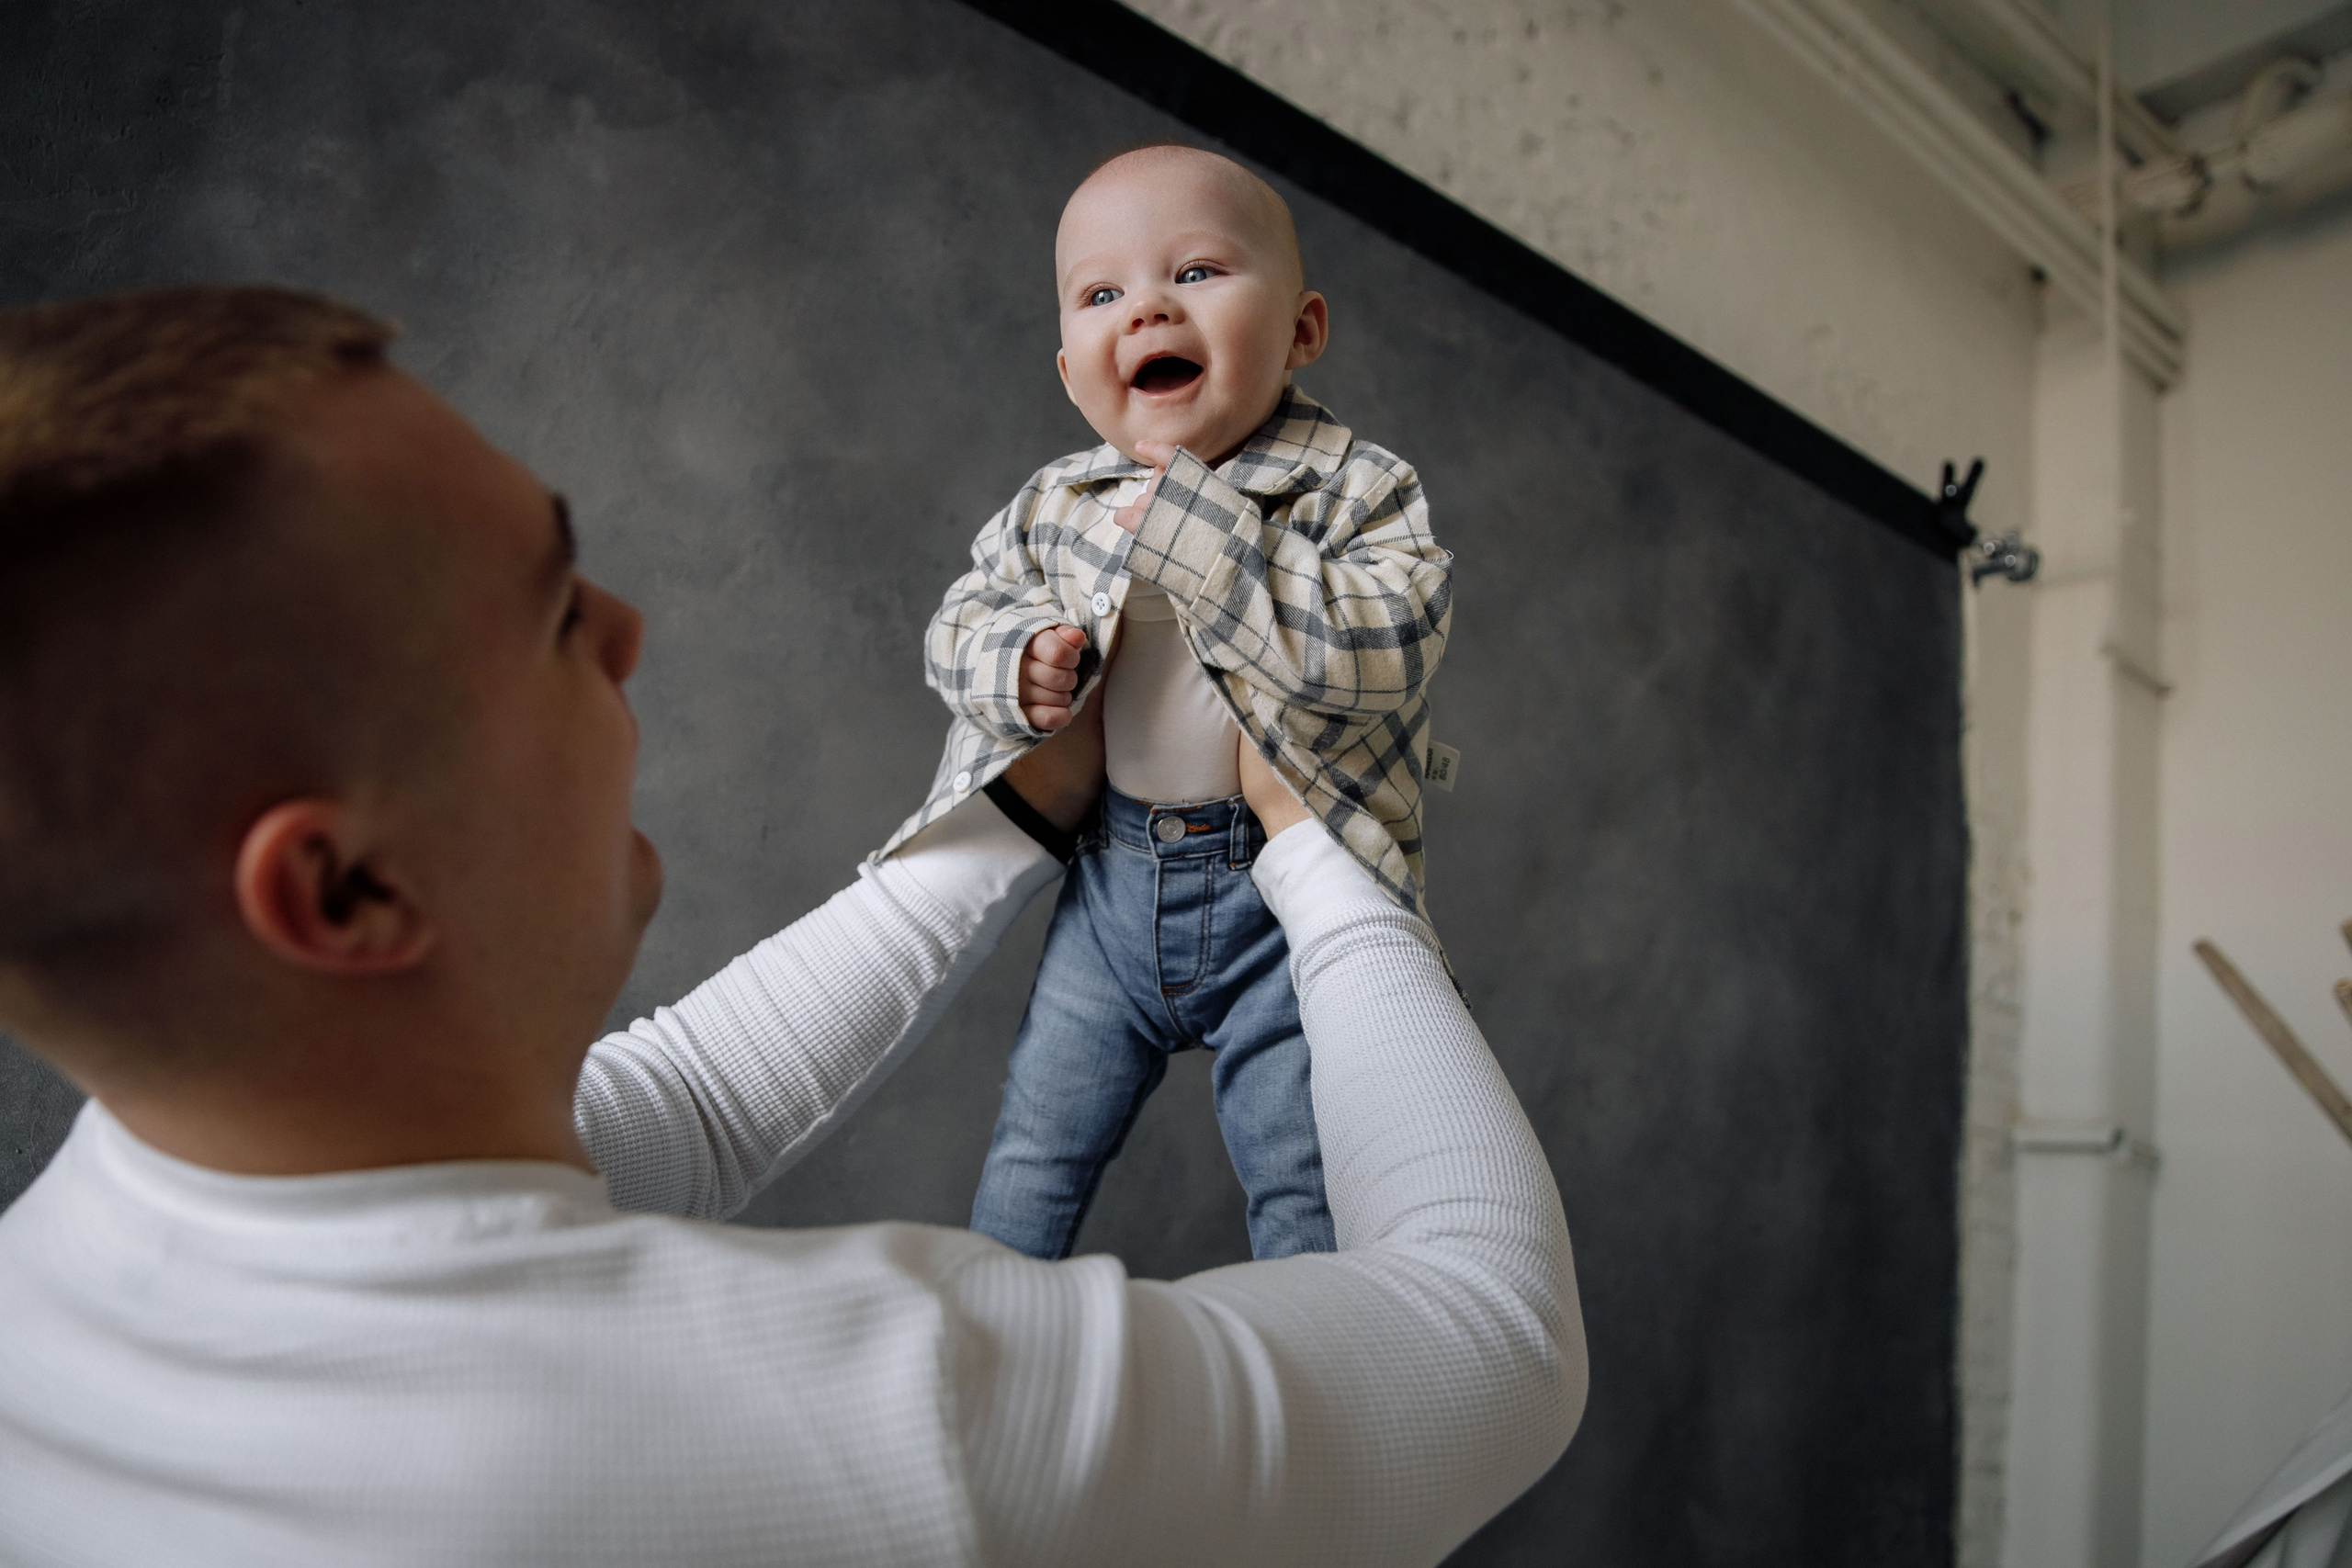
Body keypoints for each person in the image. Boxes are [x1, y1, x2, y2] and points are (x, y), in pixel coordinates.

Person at [0, 285, 1582, 1566]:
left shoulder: (61, 1296)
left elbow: (669, 1107)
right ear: (344, 890)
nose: (627, 631)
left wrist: (1010, 815)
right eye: (553, 611)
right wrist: (1312, 844)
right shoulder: (897, 1427)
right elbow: (1491, 1334)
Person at [887, 144, 1451, 1263]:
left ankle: (1312, 1397)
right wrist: (1014, 661)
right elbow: (955, 622)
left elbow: (1384, 648)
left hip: (1281, 902)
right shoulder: (1061, 501)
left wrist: (1198, 526)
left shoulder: (1355, 488)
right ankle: (987, 1350)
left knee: (1302, 1182)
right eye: (1103, 295)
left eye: (1194, 272)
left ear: (1300, 331)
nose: (1146, 307)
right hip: (1110, 891)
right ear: (1069, 371)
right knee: (1033, 1156)